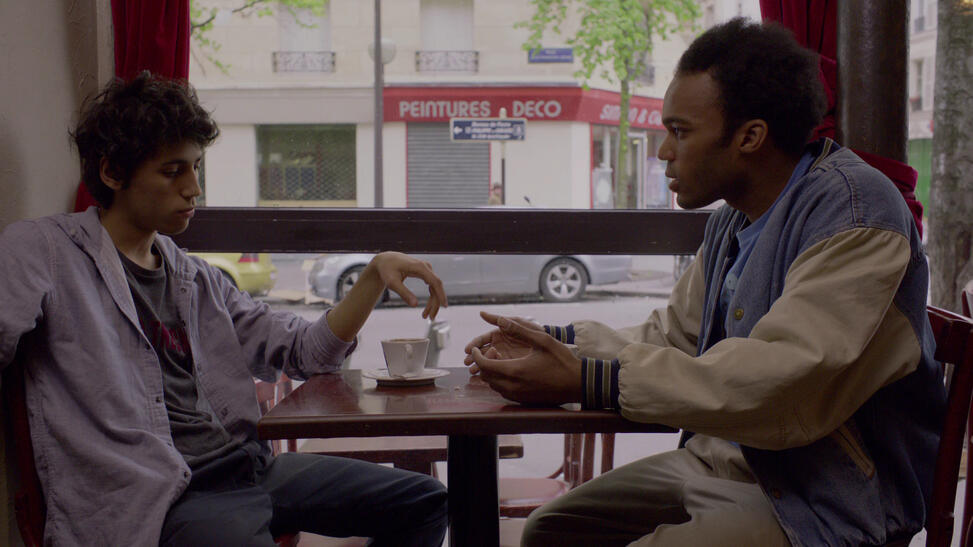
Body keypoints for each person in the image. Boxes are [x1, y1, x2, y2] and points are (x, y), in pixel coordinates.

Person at [465, 18, 945, 547]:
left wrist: (585, 380)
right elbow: (673, 338)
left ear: (750, 136)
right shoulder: (733, 219)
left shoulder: (856, 211)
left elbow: (782, 377)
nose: (663, 152)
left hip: (826, 498)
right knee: (549, 532)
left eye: (680, 131)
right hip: (722, 463)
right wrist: (552, 342)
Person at [0, 72, 449, 546]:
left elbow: (308, 353)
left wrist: (375, 274)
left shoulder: (196, 278)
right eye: (173, 172)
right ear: (112, 173)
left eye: (196, 167)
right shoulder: (44, 251)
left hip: (249, 470)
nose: (194, 189)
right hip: (164, 496)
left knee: (426, 502)